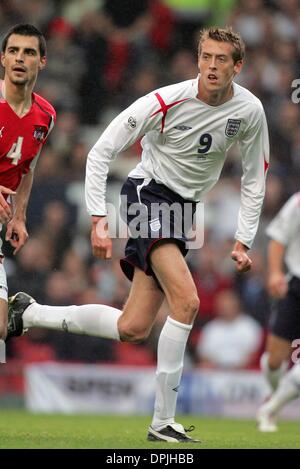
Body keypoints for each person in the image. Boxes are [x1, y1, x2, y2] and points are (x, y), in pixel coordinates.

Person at [7, 27, 269, 443]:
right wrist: (98, 218)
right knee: (187, 301)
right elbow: (101, 151)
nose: (212, 67)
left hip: (183, 212)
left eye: (222, 60)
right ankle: (163, 422)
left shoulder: (250, 111)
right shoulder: (165, 100)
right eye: (206, 57)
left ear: (238, 66)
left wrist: (244, 238)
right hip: (147, 195)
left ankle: (30, 314)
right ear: (198, 58)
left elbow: (256, 178)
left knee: (133, 327)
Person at [0, 24, 55, 350]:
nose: (20, 58)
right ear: (3, 59)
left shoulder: (45, 115)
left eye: (29, 52)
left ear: (42, 61)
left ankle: (21, 314)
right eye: (14, 51)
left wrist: (19, 216)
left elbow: (28, 169)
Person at [257, 192, 300, 432]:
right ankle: (273, 397)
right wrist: (274, 273)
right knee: (275, 359)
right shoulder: (297, 202)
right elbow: (278, 238)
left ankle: (271, 408)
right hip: (296, 287)